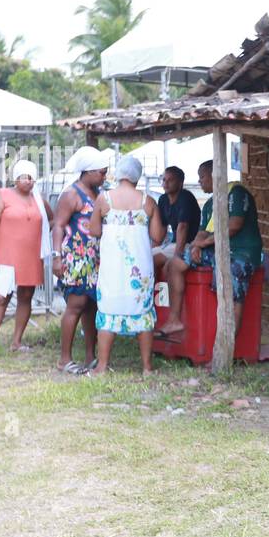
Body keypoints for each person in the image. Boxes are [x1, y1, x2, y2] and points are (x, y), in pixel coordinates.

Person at [88, 155, 162, 376]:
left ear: (119, 173)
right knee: (142, 312)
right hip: (140, 269)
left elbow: (95, 231)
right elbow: (157, 236)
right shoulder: (147, 201)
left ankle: (102, 366)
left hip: (112, 267)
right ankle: (147, 367)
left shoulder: (104, 199)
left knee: (108, 313)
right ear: (137, 176)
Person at [0, 159, 51, 358]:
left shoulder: (38, 199)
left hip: (31, 256)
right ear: (15, 178)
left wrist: (43, 238)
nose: (29, 181)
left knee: (26, 296)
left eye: (32, 178)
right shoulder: (2, 196)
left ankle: (17, 341)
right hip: (6, 255)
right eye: (24, 177)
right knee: (1, 298)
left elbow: (52, 219)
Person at [185, 159, 262, 332]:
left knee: (232, 294)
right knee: (179, 261)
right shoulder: (209, 204)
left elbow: (234, 225)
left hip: (241, 253)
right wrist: (196, 246)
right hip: (218, 252)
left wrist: (204, 243)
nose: (200, 181)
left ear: (214, 175)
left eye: (202, 176)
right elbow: (202, 232)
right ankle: (178, 321)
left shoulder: (236, 193)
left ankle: (229, 349)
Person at [53, 146, 108, 373]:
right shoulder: (72, 195)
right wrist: (56, 257)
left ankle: (90, 356)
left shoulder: (99, 193)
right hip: (76, 257)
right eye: (101, 172)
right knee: (75, 305)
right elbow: (57, 225)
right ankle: (64, 359)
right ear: (87, 172)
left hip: (96, 258)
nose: (104, 177)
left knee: (92, 306)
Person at [152, 165, 201, 336]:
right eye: (163, 179)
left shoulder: (186, 197)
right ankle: (150, 306)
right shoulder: (163, 200)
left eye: (170, 179)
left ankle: (147, 306)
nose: (165, 183)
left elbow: (182, 228)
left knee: (153, 260)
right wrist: (153, 245)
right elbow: (162, 229)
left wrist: (177, 255)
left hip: (188, 244)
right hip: (172, 243)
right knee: (146, 257)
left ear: (180, 182)